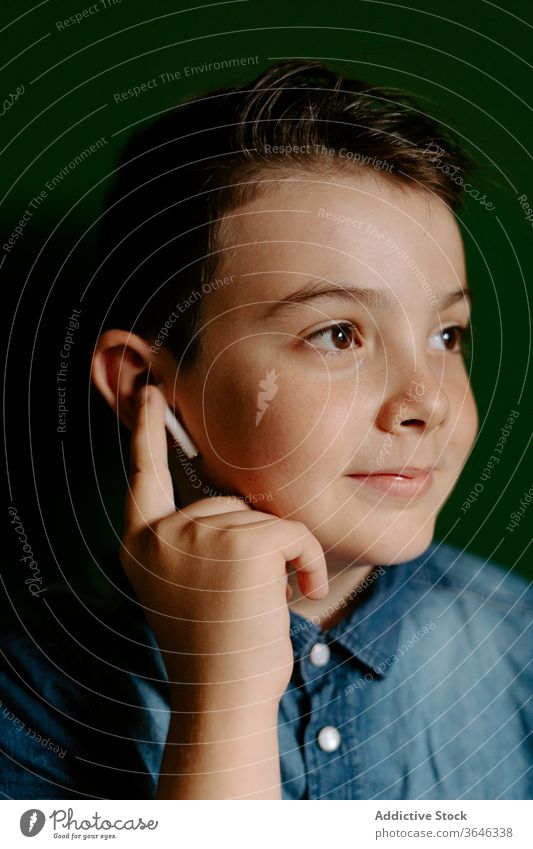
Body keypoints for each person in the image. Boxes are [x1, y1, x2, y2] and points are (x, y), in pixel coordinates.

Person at [1, 60, 531, 800]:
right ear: (144, 383)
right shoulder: (28, 700)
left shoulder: (520, 653)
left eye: (447, 335)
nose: (426, 401)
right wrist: (226, 698)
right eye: (338, 334)